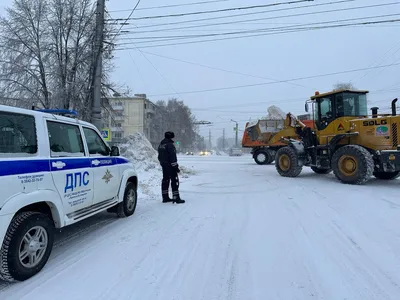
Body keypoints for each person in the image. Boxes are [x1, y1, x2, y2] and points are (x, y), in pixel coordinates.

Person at [157, 131, 185, 204]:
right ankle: (176, 197)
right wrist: (176, 167)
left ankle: (165, 197)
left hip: (164, 165)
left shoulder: (161, 144)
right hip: (170, 166)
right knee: (174, 181)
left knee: (165, 180)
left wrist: (162, 163)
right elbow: (172, 156)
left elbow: (159, 156)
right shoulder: (170, 145)